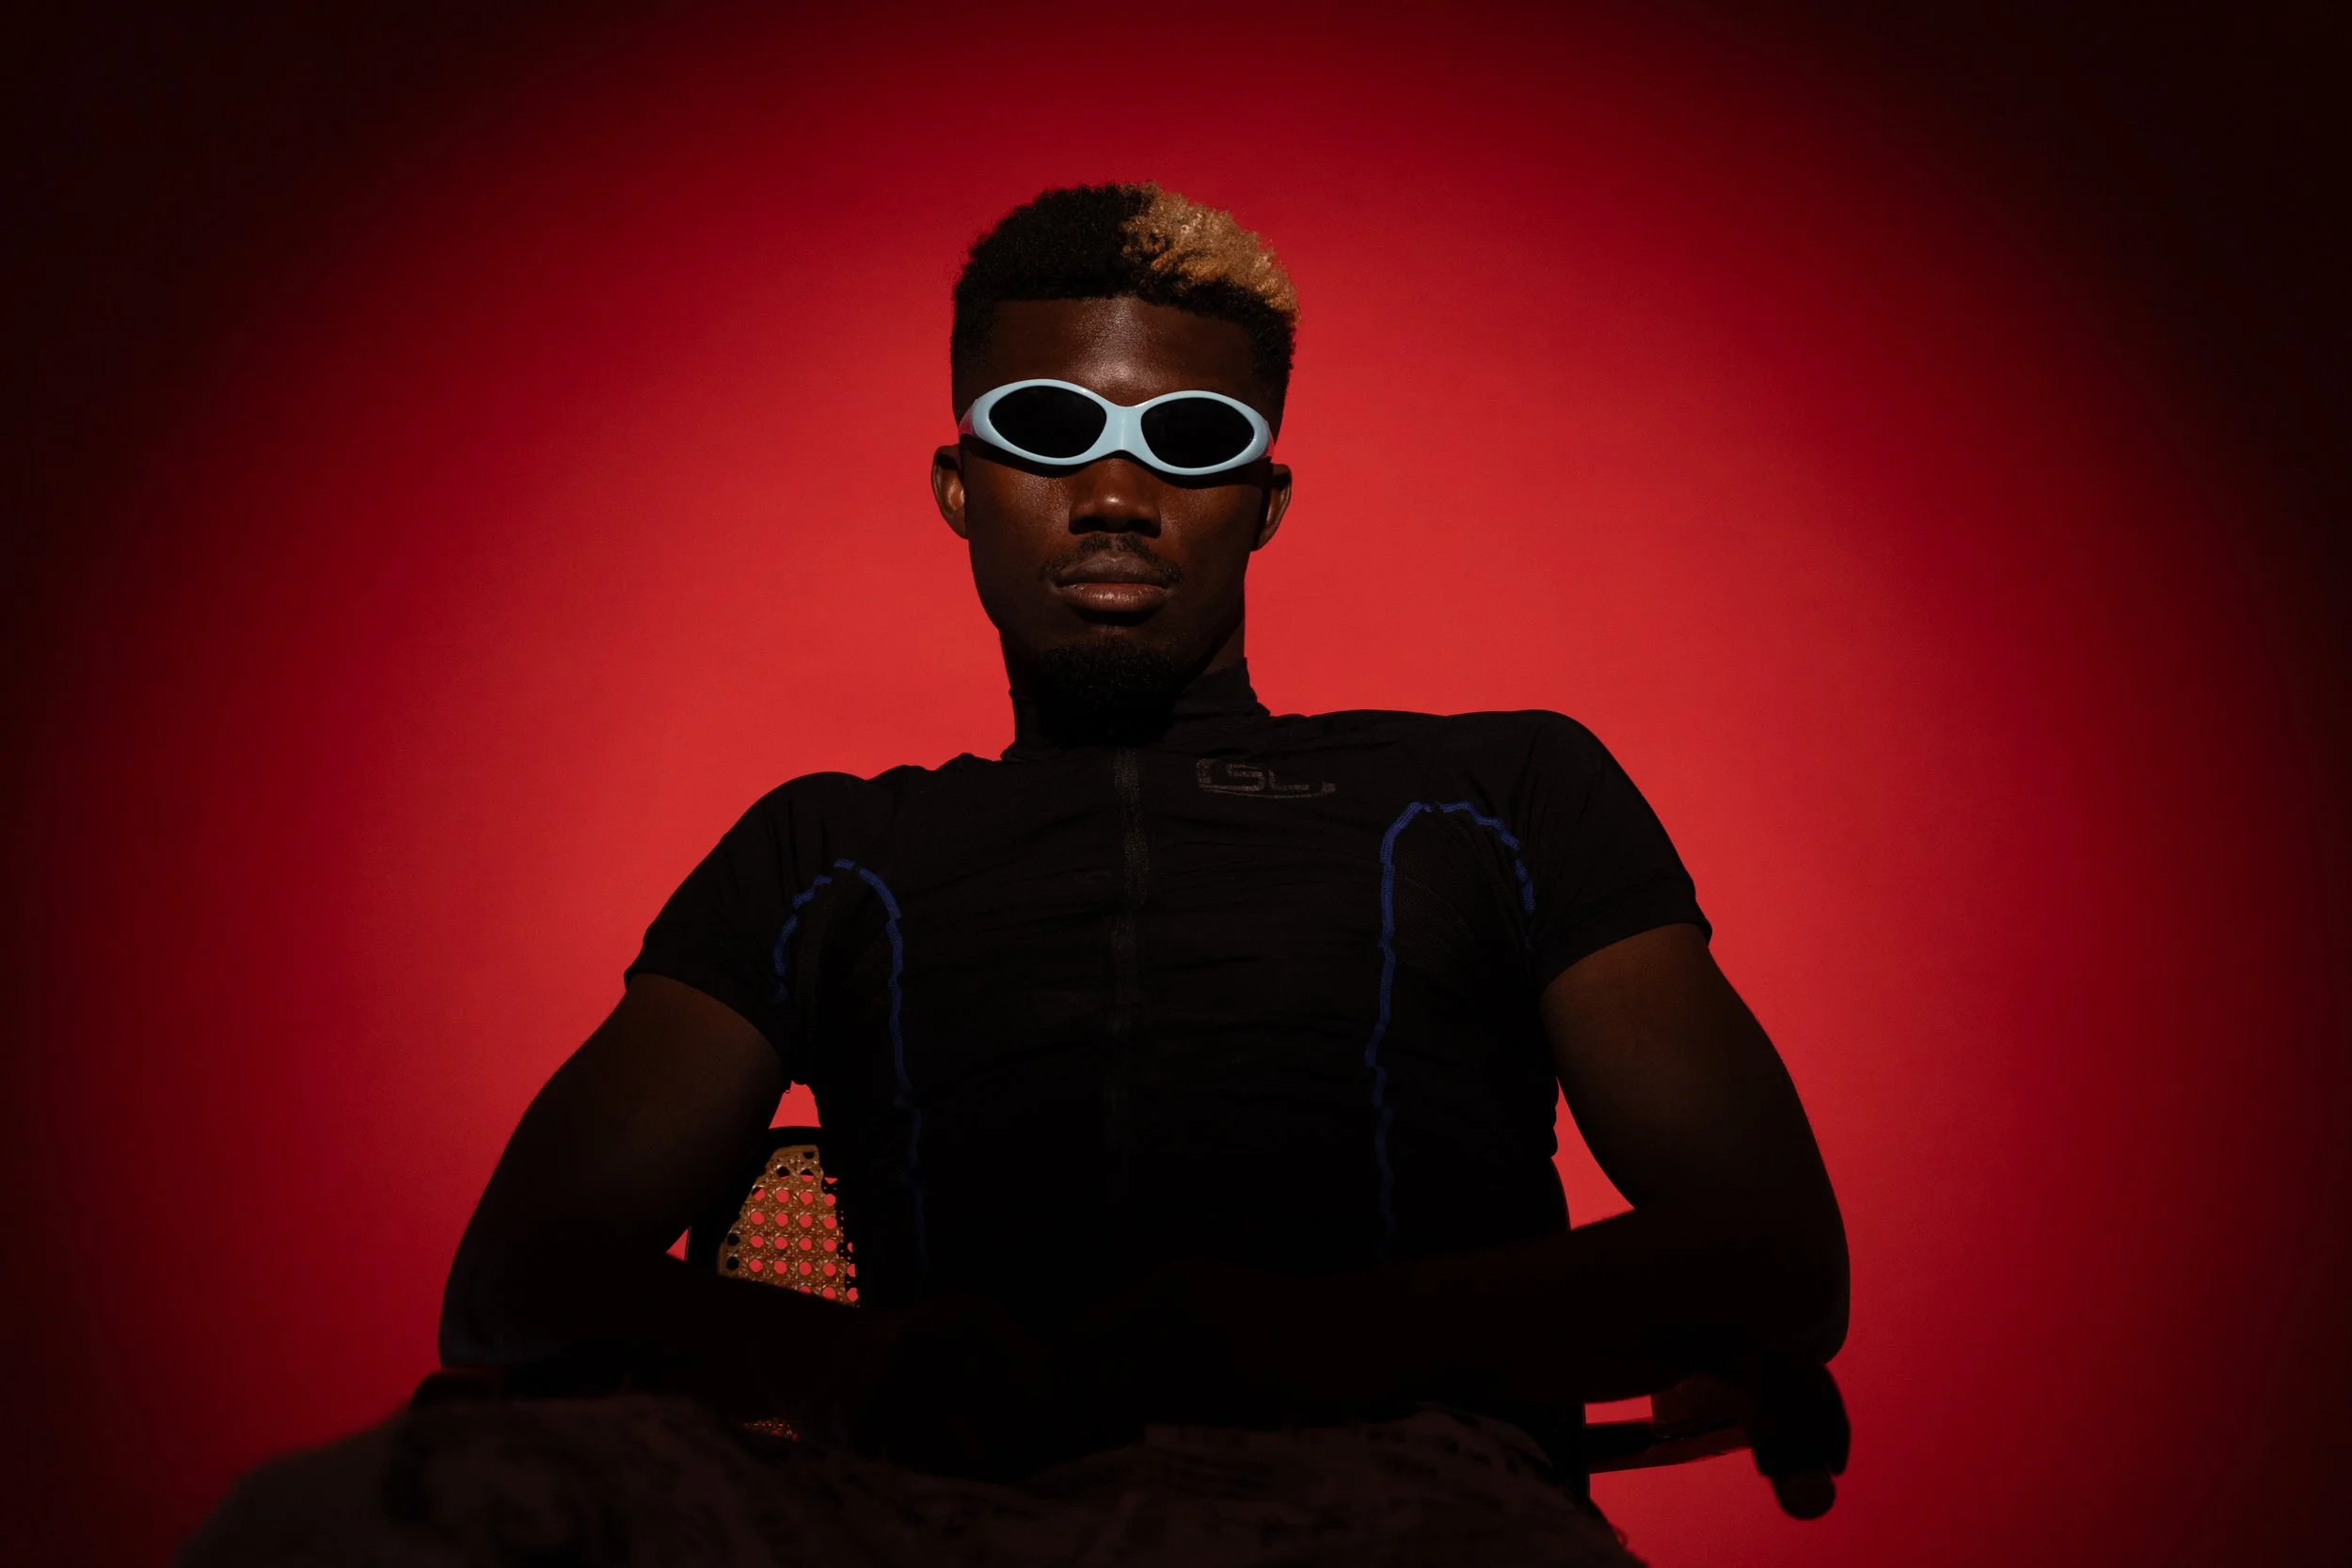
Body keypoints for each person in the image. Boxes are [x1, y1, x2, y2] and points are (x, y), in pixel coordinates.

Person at [184, 182, 1848, 1567]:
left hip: (1403, 1492)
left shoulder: (1501, 793)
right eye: (1048, 429)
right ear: (958, 487)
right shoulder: (827, 851)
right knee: (339, 1520)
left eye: (1188, 437)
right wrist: (850, 1366)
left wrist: (1312, 1345)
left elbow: (1775, 1250)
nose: (1116, 492)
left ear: (1264, 498)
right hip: (916, 1509)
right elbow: (517, 1275)